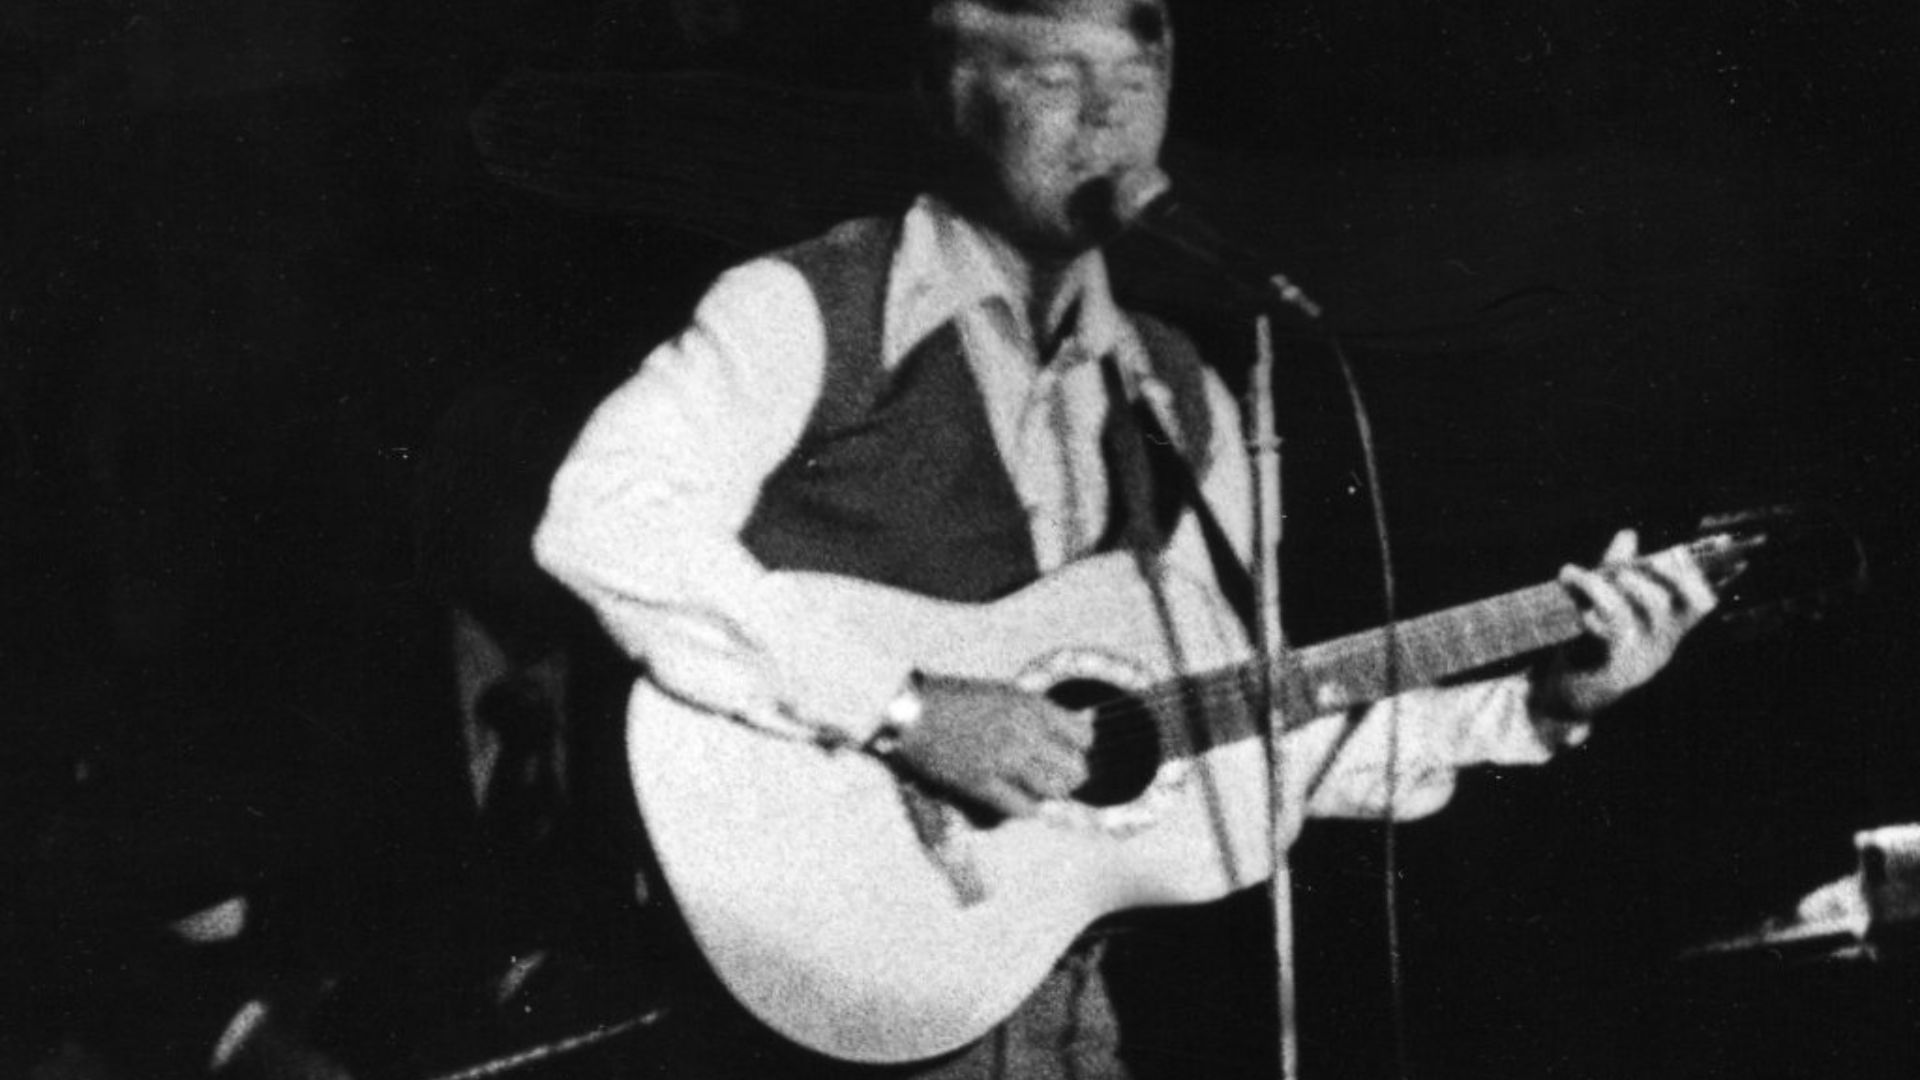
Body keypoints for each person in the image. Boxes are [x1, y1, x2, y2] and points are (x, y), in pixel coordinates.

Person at [531, 0, 1718, 1076]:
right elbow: (605, 522)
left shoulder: (1183, 392)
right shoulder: (803, 308)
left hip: (1067, 1022)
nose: (1106, 119)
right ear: (952, 99)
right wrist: (903, 708)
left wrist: (1541, 704)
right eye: (1053, 77)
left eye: (1137, 76)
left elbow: (1238, 738)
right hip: (807, 997)